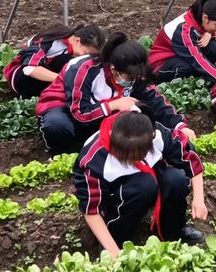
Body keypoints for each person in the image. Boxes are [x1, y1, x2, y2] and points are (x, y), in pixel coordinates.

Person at [73, 103, 207, 257]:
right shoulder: (94, 158)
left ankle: (173, 229)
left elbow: (190, 161)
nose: (133, 161)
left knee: (175, 180)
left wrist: (199, 199)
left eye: (140, 156)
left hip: (149, 180)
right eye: (127, 157)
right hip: (115, 197)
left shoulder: (156, 133)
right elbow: (91, 209)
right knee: (143, 186)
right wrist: (112, 252)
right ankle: (116, 238)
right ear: (112, 139)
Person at [35, 32, 194, 155]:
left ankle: (92, 145)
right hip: (64, 108)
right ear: (112, 69)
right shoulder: (82, 69)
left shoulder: (134, 72)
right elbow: (79, 113)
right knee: (58, 126)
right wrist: (114, 104)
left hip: (97, 112)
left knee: (137, 116)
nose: (134, 81)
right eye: (130, 77)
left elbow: (155, 101)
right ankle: (62, 153)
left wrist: (180, 126)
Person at [3, 23, 105, 99]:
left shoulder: (70, 46)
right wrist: (64, 79)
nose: (86, 57)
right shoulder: (50, 41)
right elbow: (29, 69)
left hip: (48, 74)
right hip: (20, 77)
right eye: (86, 53)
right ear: (77, 41)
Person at [148, 0, 216, 84]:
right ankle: (169, 84)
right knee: (185, 68)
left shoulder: (198, 16)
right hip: (160, 66)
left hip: (180, 55)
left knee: (213, 47)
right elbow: (197, 59)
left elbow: (211, 37)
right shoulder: (183, 29)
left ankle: (205, 78)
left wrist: (209, 33)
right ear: (205, 18)